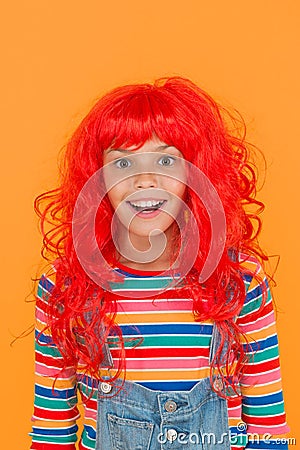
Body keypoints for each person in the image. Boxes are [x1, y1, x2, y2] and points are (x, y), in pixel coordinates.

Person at [30, 77, 289, 450]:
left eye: (166, 160)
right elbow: (52, 425)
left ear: (196, 172)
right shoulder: (65, 286)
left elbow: (268, 424)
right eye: (122, 162)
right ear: (97, 177)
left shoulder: (241, 280)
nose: (144, 180)